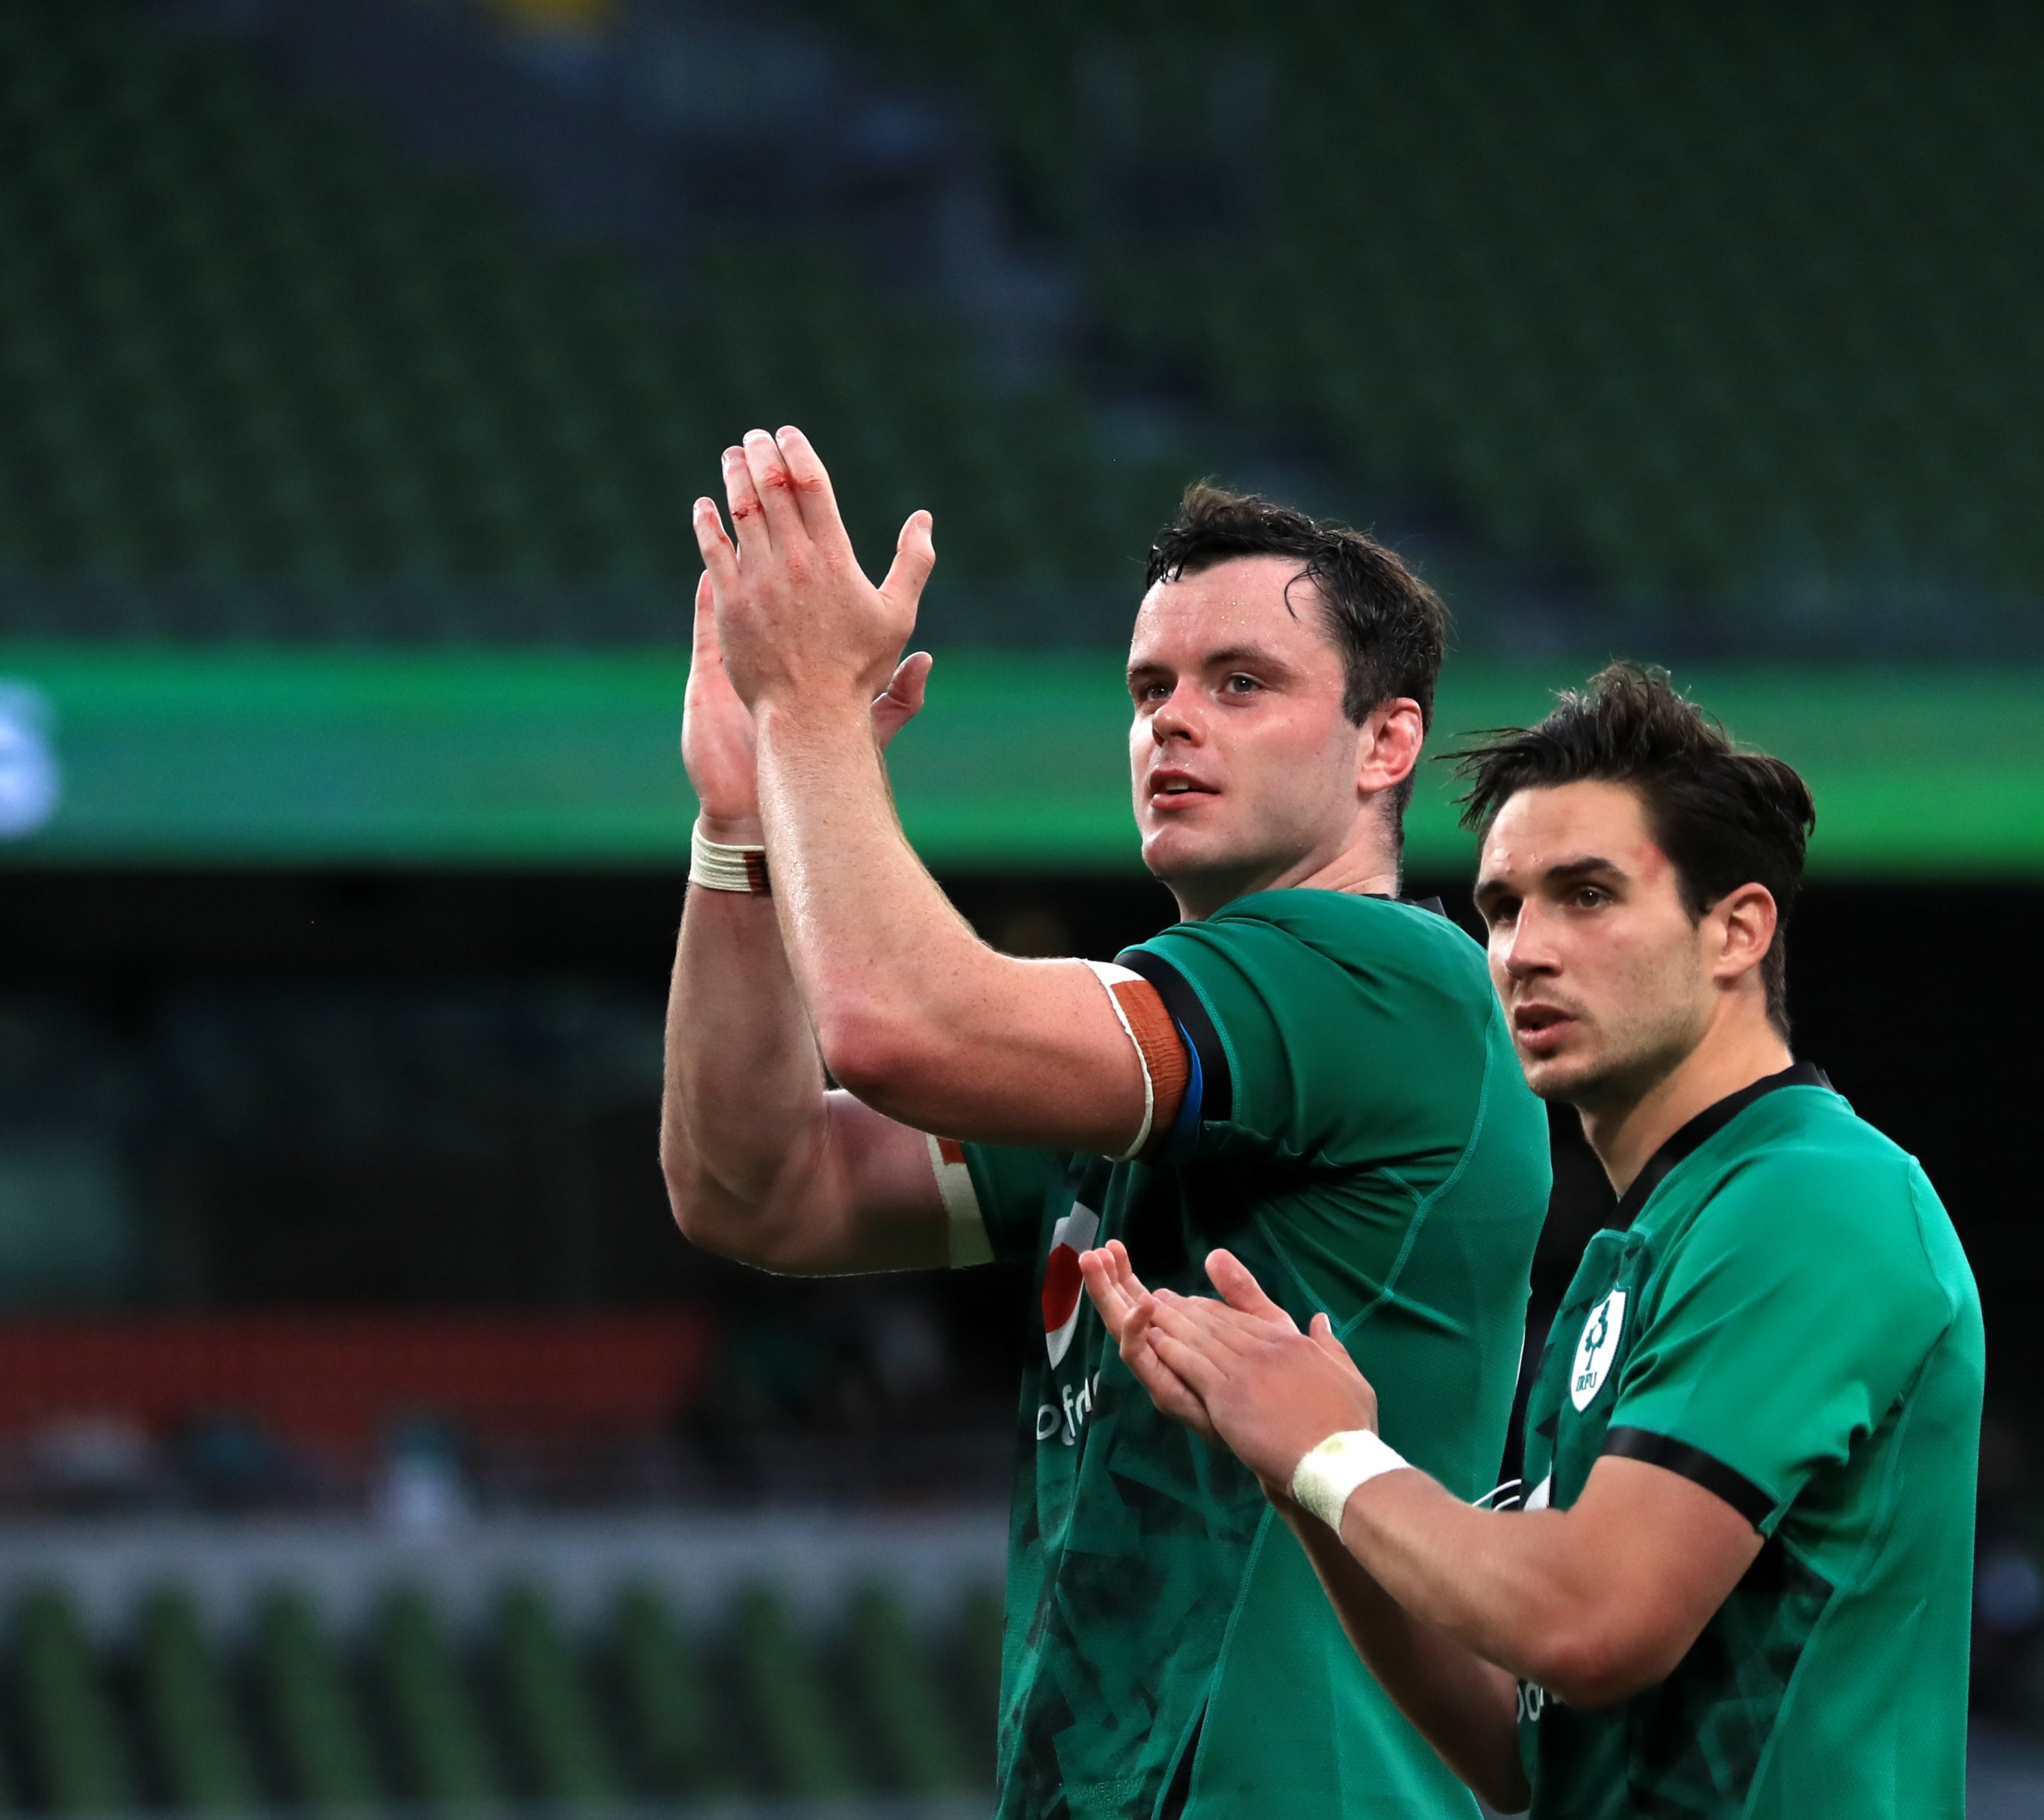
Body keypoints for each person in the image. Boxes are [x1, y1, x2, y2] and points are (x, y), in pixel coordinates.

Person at [659, 433, 1549, 1820]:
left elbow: (895, 1026)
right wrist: (740, 824)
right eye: (1151, 689)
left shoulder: (1382, 981)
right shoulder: (1150, 1054)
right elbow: (761, 1188)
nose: (1171, 723)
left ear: (1389, 741)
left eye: (1240, 684)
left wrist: (816, 718)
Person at [1083, 663, 1986, 1819]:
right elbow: (1514, 1736)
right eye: (1504, 907)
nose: (1523, 951)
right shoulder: (1649, 1242)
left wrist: (1335, 1456)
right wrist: (1298, 1473)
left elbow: (1591, 1620)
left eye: (1588, 895)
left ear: (1735, 930)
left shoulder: (1813, 1201)